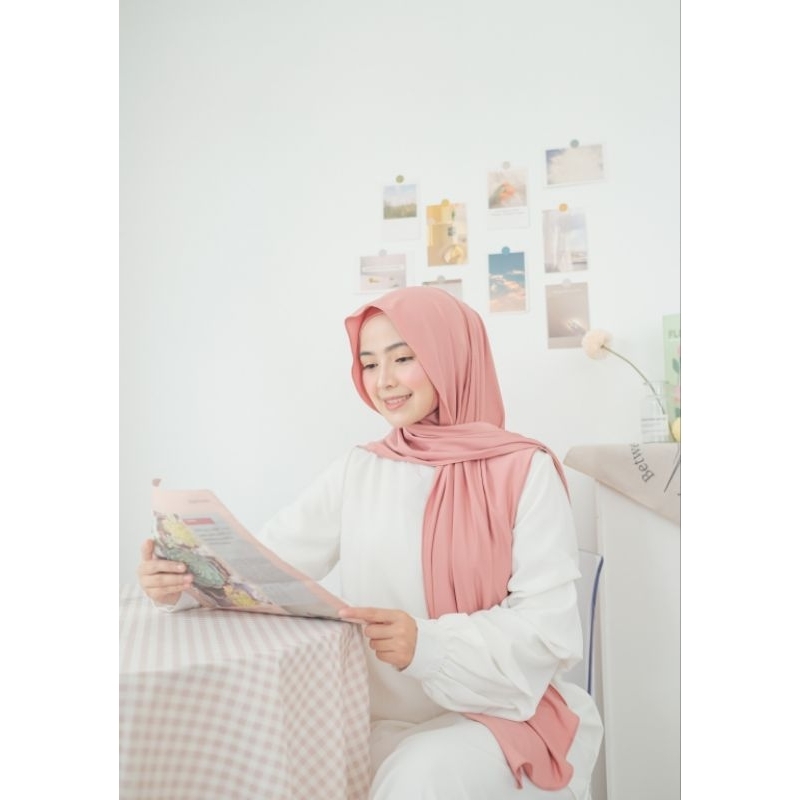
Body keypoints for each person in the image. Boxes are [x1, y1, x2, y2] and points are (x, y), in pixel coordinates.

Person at [138, 285, 603, 799]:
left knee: (421, 777)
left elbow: (547, 631)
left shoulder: (526, 470)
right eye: (368, 364)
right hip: (377, 720)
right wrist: (182, 580)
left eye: (403, 358)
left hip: (503, 716)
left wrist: (427, 645)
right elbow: (265, 566)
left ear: (451, 357)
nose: (384, 382)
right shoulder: (362, 468)